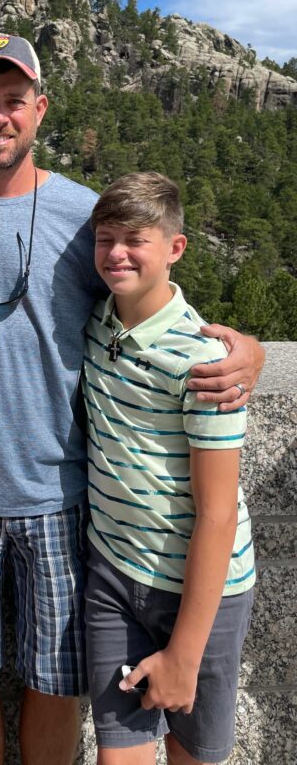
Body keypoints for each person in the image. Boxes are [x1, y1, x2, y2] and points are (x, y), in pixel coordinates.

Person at [0, 32, 265, 765]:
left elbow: (150, 296)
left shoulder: (84, 219)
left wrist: (247, 350)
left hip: (61, 493)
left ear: (39, 109)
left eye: (13, 101)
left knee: (55, 682)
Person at [83, 173, 255, 765]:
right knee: (118, 755)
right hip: (113, 573)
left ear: (176, 247)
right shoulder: (97, 320)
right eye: (106, 239)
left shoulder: (204, 362)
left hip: (202, 591)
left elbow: (218, 511)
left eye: (136, 239)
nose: (117, 254)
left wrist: (185, 651)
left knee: (193, 755)